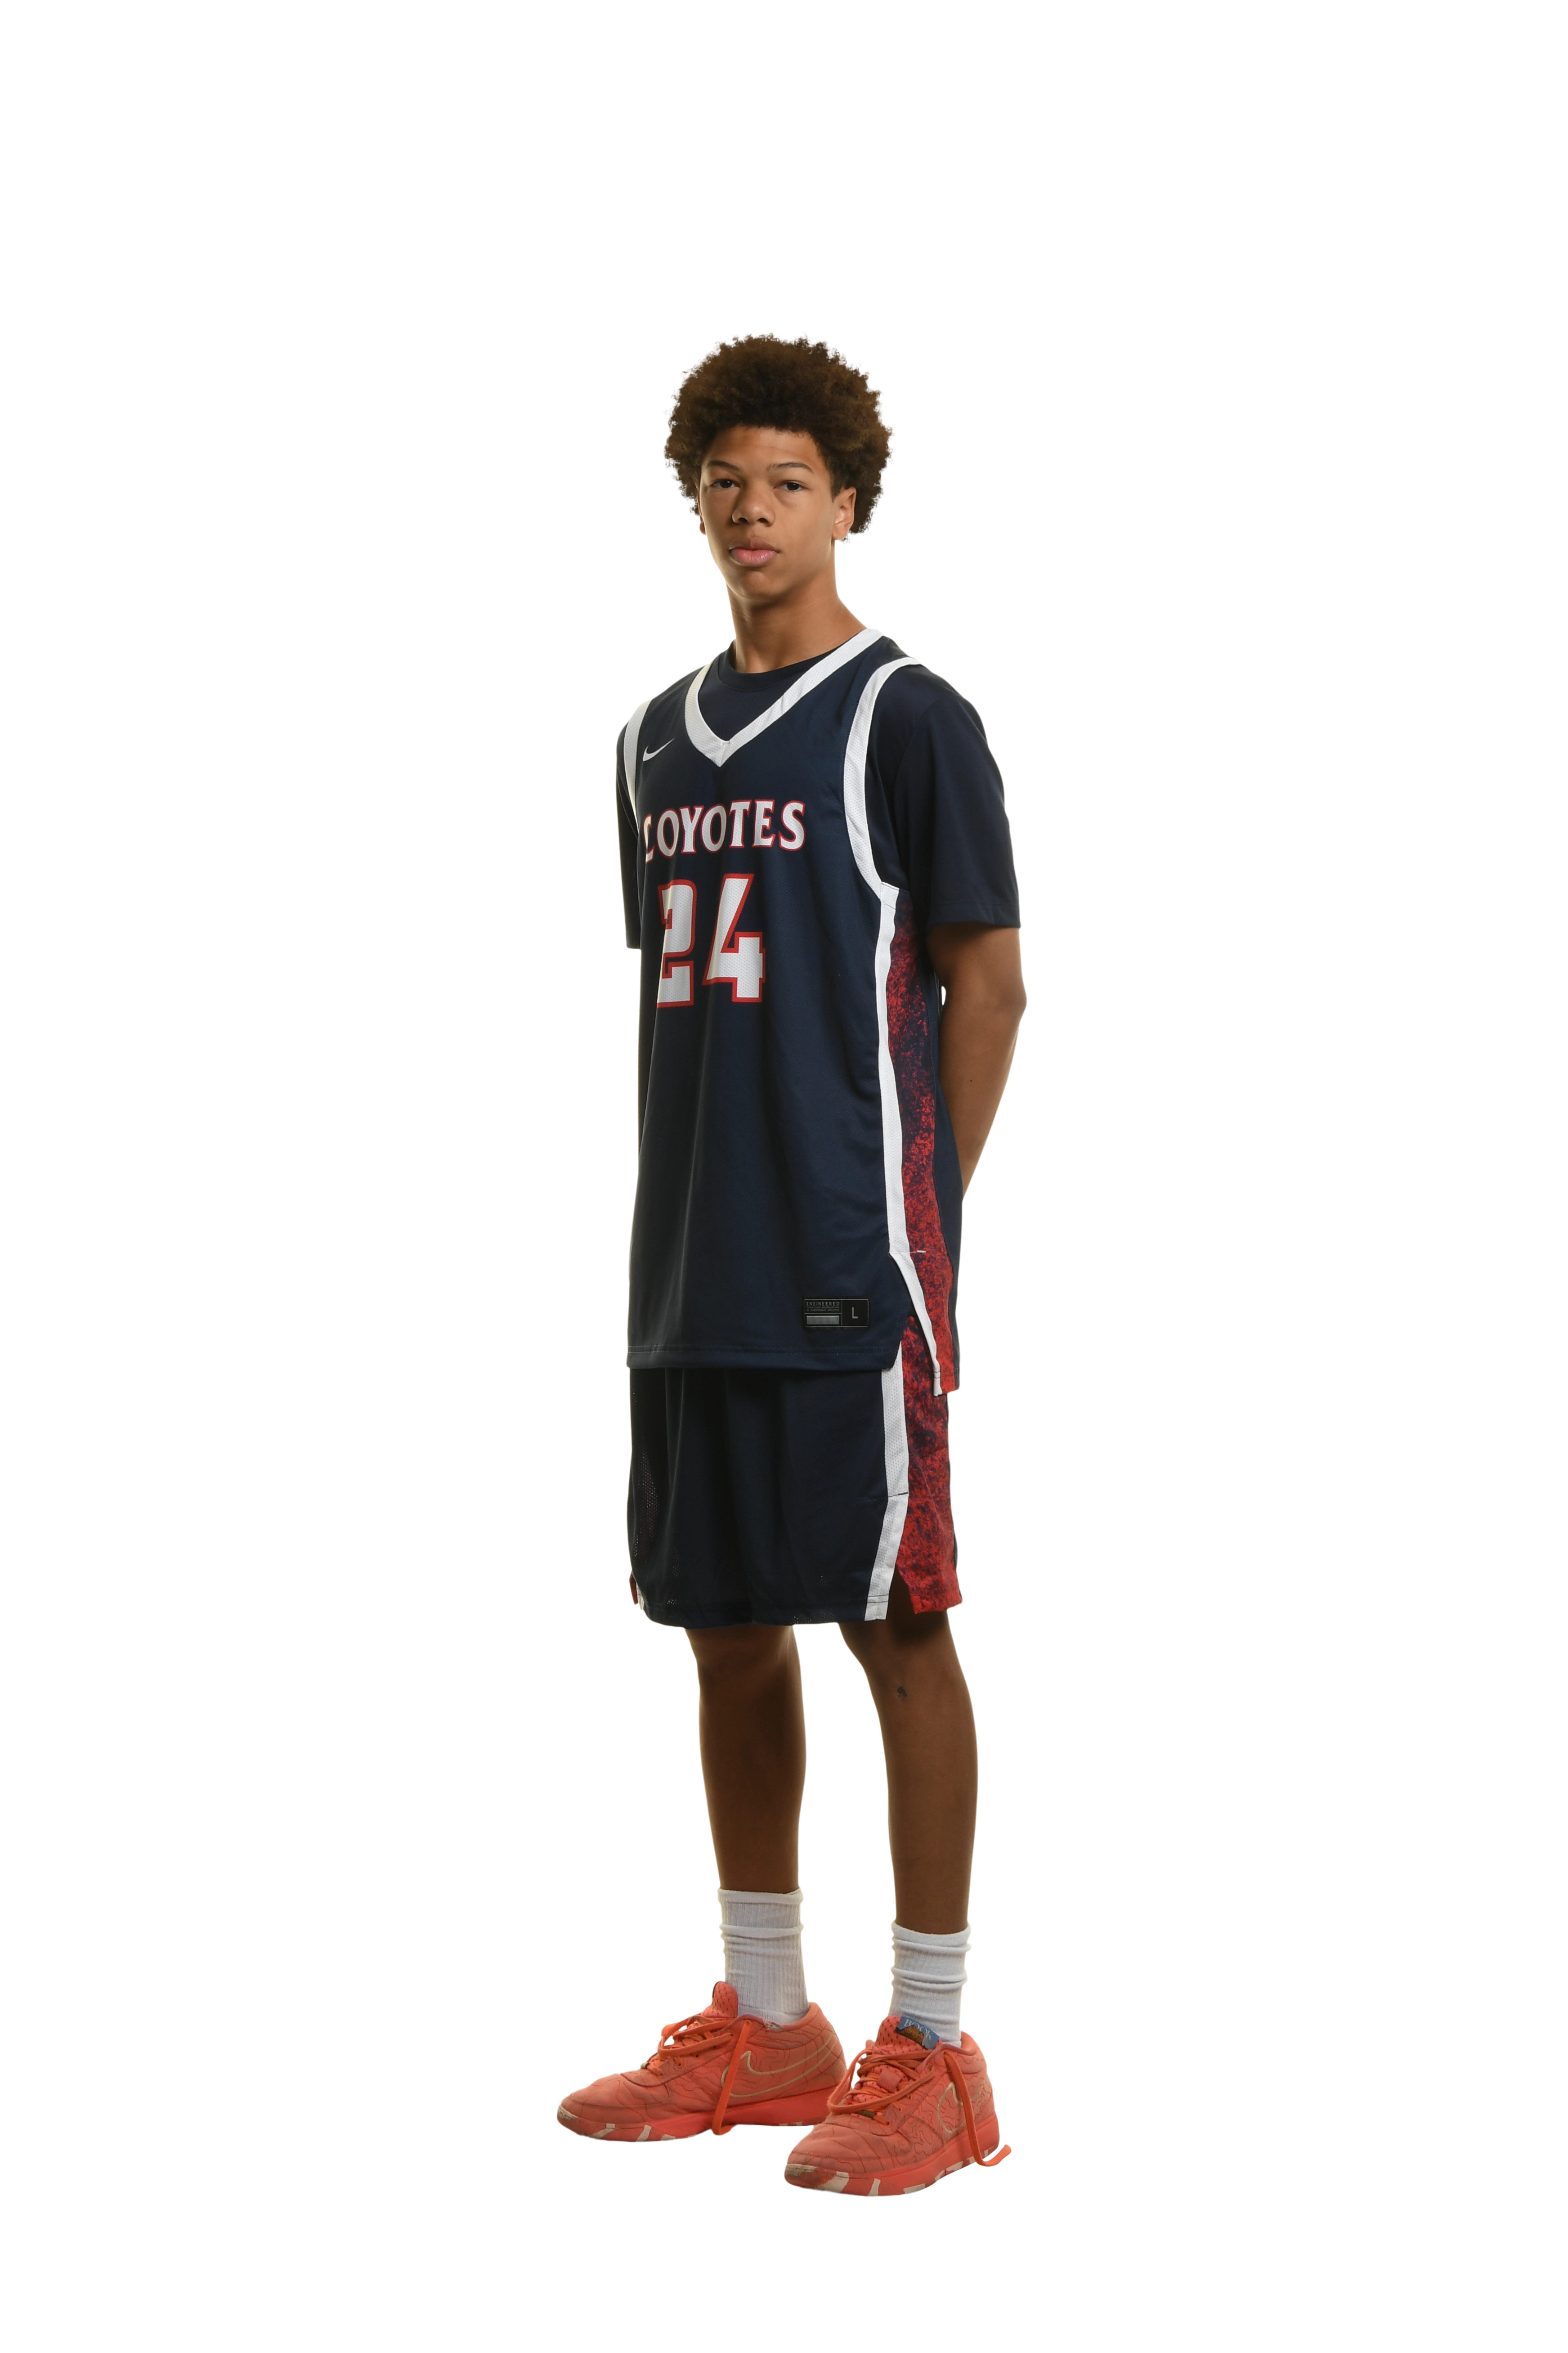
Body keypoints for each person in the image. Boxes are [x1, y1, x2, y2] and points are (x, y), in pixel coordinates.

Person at [558, 332, 1026, 2195]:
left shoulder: (909, 719)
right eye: (725, 484)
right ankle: (770, 2022)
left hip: (849, 1263)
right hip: (689, 1259)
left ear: (849, 504)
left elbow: (988, 984)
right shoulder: (649, 743)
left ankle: (937, 2047)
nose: (752, 512)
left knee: (895, 1624)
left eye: (789, 484)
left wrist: (921, 1215)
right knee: (724, 1626)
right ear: (695, 502)